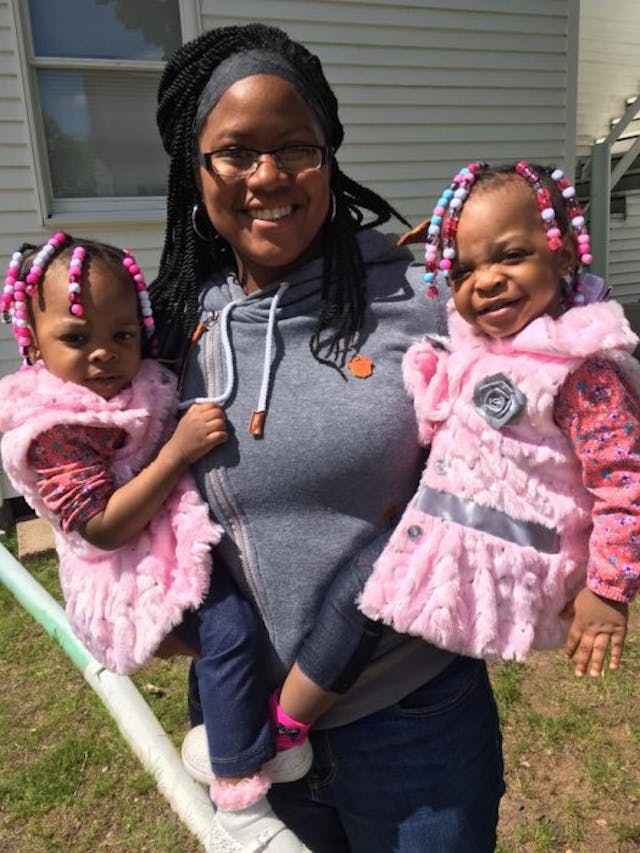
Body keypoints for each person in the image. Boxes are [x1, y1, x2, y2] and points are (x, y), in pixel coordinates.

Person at [149, 21, 505, 853]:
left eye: (295, 148)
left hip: (413, 725)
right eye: (236, 152)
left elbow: (539, 418)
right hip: (243, 738)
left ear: (329, 157)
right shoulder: (165, 325)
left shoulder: (421, 297)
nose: (268, 175)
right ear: (195, 168)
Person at [0, 234, 312, 852]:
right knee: (231, 633)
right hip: (126, 574)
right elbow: (101, 526)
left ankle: (220, 738)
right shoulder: (54, 429)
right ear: (32, 340)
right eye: (76, 338)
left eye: (122, 335)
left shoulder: (137, 383)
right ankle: (238, 794)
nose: (104, 354)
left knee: (244, 626)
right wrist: (178, 452)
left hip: (169, 544)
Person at [359, 160, 640, 677]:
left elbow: (624, 482)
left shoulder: (581, 370)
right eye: (463, 271)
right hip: (441, 559)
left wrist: (608, 590)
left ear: (561, 255)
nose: (486, 281)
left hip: (518, 575)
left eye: (511, 256)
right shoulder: (475, 344)